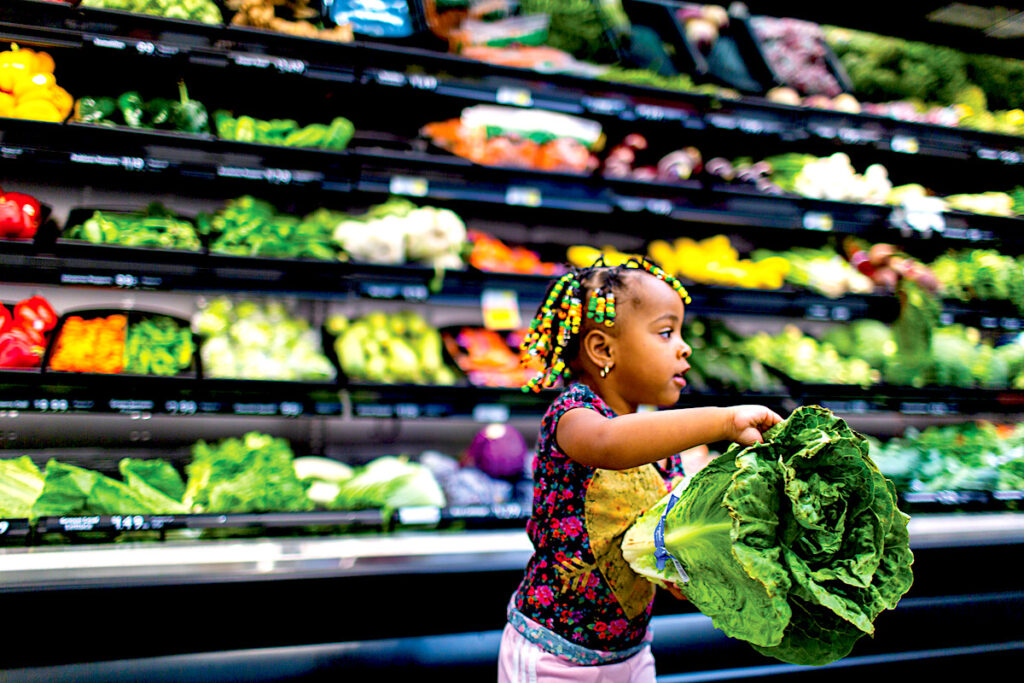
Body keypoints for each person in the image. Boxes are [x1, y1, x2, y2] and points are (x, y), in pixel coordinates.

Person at [498, 257, 783, 682]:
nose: (684, 347)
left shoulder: (661, 447)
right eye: (667, 333)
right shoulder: (574, 416)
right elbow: (609, 445)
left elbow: (654, 542)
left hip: (631, 655)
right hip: (552, 659)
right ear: (603, 350)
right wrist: (723, 420)